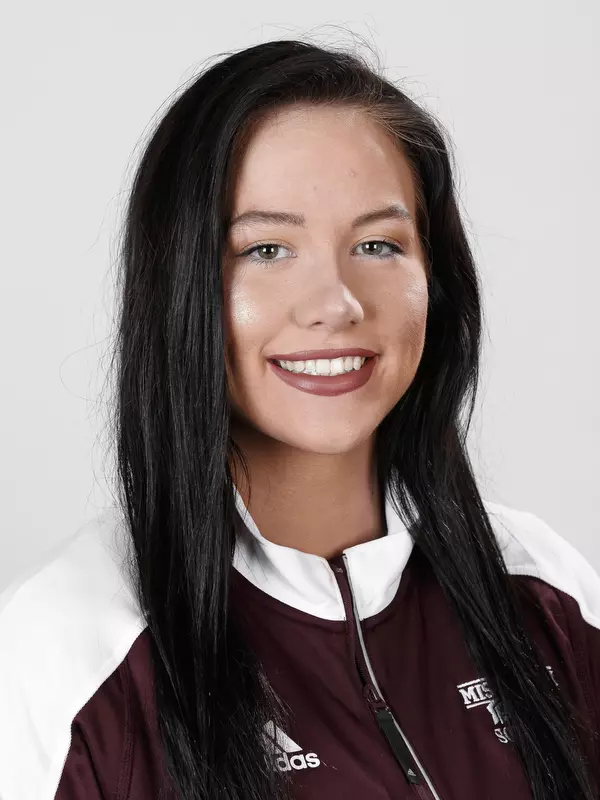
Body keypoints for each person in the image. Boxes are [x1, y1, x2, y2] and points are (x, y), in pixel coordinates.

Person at [0, 37, 599, 800]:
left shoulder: (542, 588)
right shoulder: (66, 650)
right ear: (180, 284)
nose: (336, 304)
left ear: (437, 278)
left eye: (377, 244)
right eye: (267, 249)